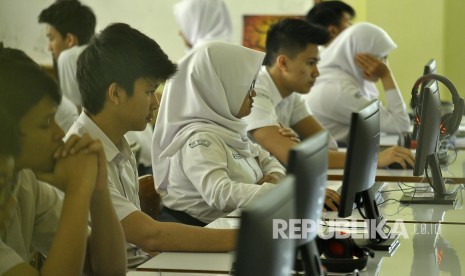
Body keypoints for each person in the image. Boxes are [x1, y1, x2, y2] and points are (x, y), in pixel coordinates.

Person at [69, 23, 237, 268]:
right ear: (115, 93)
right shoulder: (81, 154)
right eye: (149, 91)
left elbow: (142, 243)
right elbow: (150, 234)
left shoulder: (119, 144)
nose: (156, 102)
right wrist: (242, 238)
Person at [0, 47, 126, 275]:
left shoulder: (25, 181)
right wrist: (78, 189)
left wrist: (97, 190)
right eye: (45, 123)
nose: (60, 133)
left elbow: (109, 270)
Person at [245, 19, 415, 173]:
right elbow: (298, 158)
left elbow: (329, 144)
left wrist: (298, 145)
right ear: (283, 63)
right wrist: (373, 158)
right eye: (310, 63)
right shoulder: (255, 93)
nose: (317, 73)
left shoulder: (291, 95)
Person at [152, 41, 286, 225]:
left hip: (229, 226)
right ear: (218, 89)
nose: (253, 94)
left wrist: (276, 178)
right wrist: (281, 192)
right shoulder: (199, 139)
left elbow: (269, 162)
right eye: (247, 87)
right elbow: (220, 193)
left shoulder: (228, 129)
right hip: (197, 235)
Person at [304, 22, 412, 158]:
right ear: (360, 56)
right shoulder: (338, 90)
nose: (384, 65)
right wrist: (386, 75)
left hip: (344, 155)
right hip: (336, 163)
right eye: (382, 58)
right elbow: (400, 124)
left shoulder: (340, 77)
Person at [39, 0, 96, 125]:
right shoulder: (100, 54)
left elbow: (75, 119)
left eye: (51, 38)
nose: (49, 47)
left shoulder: (68, 57)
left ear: (69, 40)